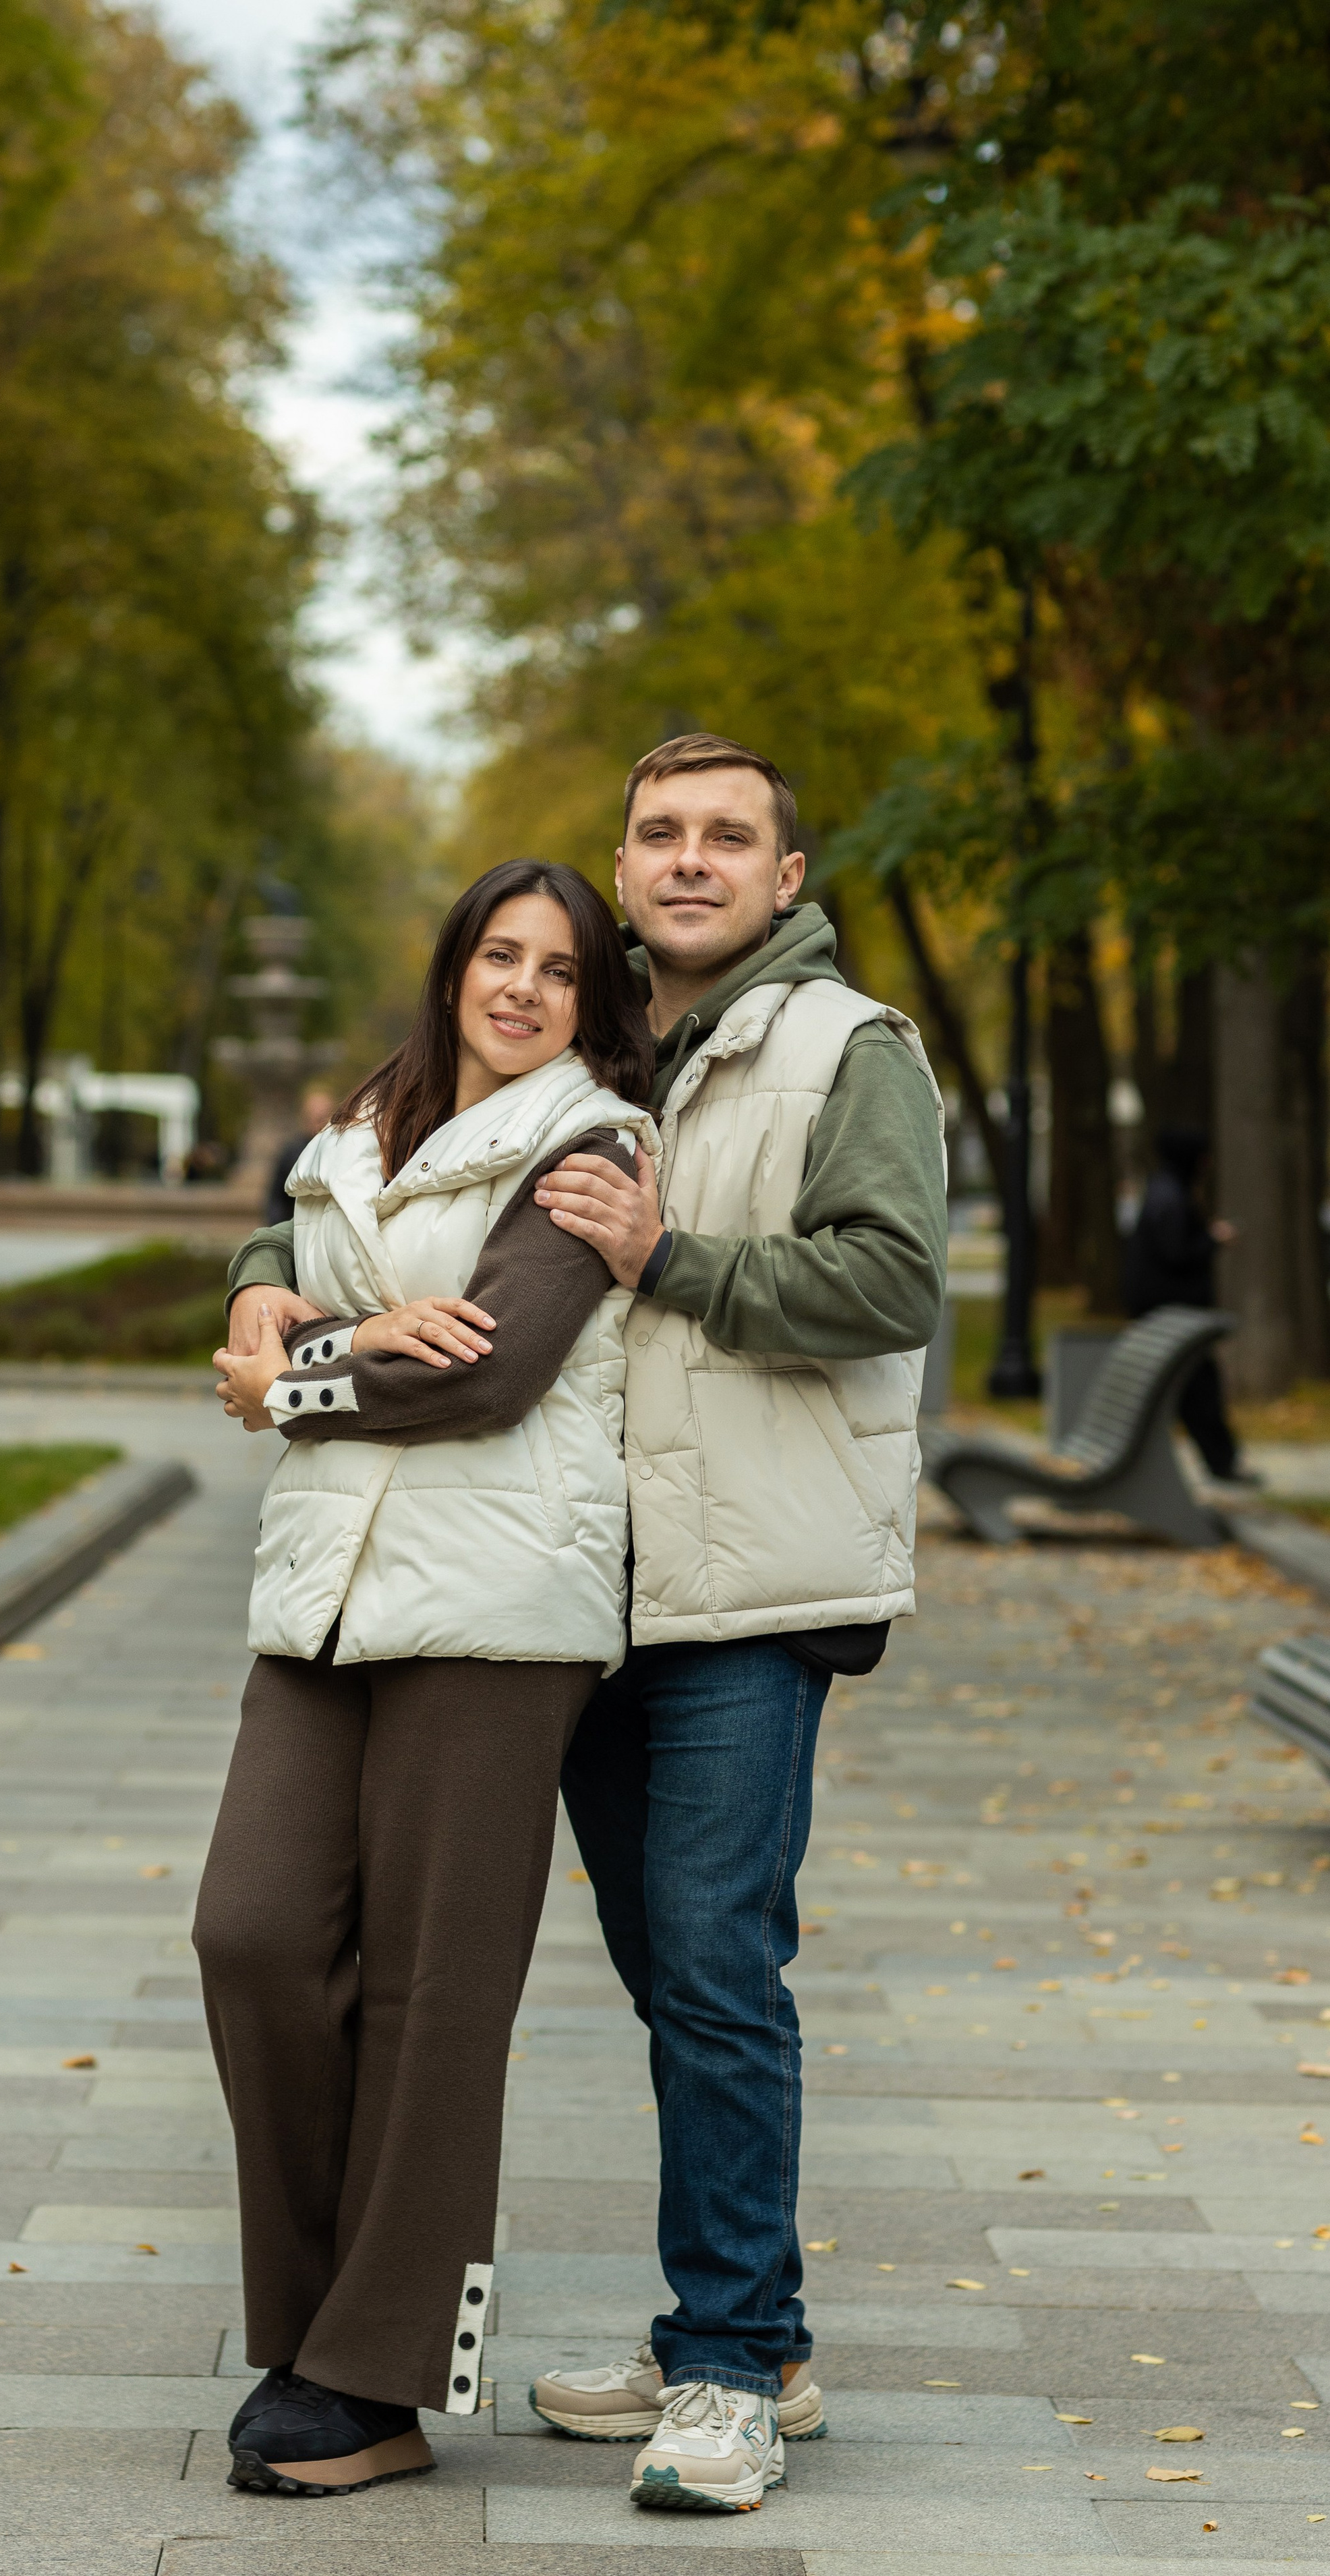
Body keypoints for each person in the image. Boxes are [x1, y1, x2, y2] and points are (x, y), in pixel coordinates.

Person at [227, 733, 948, 2516]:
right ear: (623, 867)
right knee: (650, 1963)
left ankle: (726, 2357)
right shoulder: (602, 1032)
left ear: (787, 875)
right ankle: (737, 2317)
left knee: (709, 1966)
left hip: (739, 1581)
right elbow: (314, 1212)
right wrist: (266, 1304)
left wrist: (666, 1257)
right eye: (661, 835)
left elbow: (886, 1280)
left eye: (730, 837)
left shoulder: (841, 1047)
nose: (690, 861)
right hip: (582, 1577)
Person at [197, 859, 658, 2500]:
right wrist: (294, 1306)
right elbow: (318, 1287)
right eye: (496, 952)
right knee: (246, 1932)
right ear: (452, 965)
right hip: (323, 1593)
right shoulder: (355, 1128)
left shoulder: (590, 1139)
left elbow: (492, 1369)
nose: (520, 985)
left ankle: (376, 2380)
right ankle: (313, 2322)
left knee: (433, 1996)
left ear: (590, 996)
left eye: (557, 964)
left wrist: (285, 1378)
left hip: (494, 1605)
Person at [1124, 1124, 1253, 1485]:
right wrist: (1213, 1240)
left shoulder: (1163, 1190)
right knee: (1200, 1387)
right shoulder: (1171, 1197)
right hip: (1176, 1315)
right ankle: (1222, 1462)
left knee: (1197, 1387)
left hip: (1170, 1315)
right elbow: (1176, 1252)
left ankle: (1222, 1460)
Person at [264, 1083, 336, 1228]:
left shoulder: (340, 1149)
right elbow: (277, 1197)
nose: (323, 1124)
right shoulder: (291, 1152)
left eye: (327, 1117)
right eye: (318, 1119)